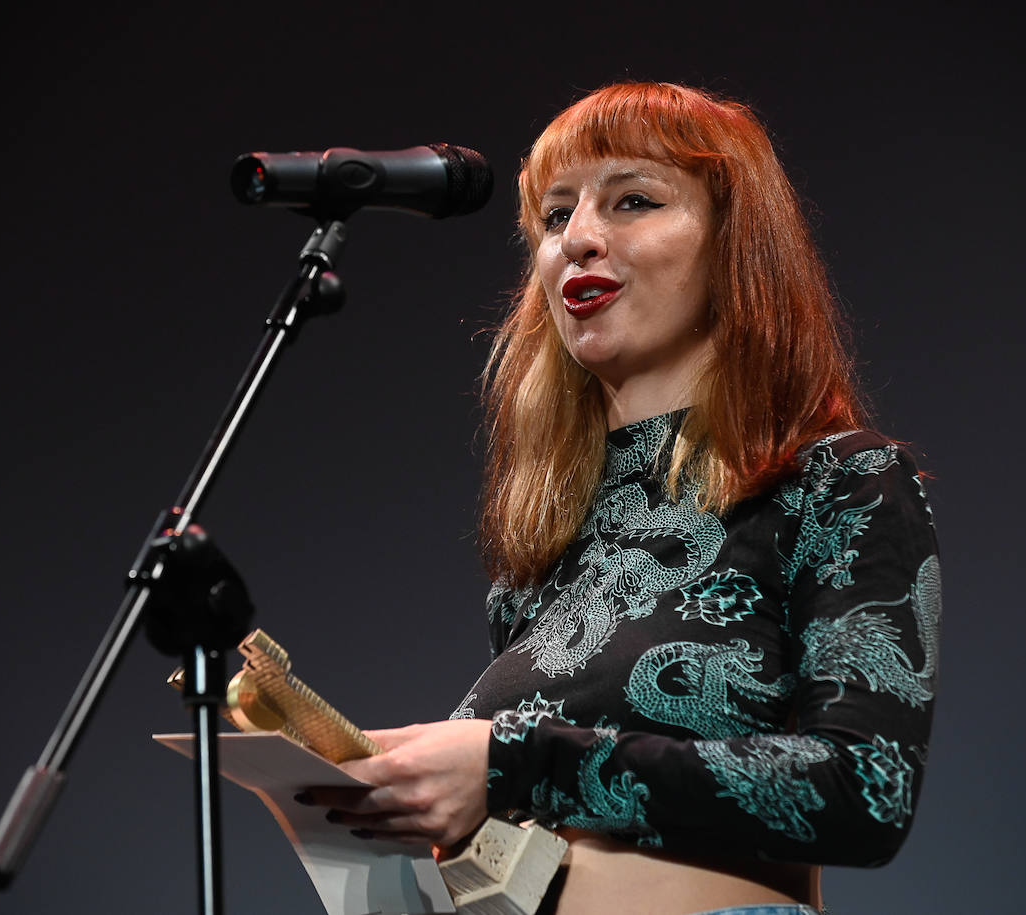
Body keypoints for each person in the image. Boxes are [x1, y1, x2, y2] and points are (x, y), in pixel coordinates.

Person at [303, 82, 941, 915]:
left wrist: (511, 759)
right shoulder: (547, 542)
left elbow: (868, 789)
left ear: (734, 245)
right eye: (556, 216)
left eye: (633, 200)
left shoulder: (837, 482)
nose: (580, 240)